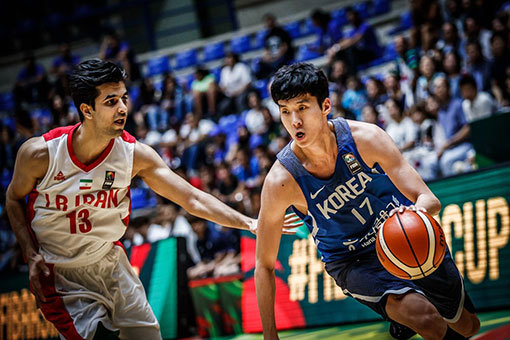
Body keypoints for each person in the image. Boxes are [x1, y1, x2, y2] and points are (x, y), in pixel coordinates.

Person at [5, 59, 298, 340]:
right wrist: (30, 253)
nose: (122, 108)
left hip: (111, 262)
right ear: (87, 109)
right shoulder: (40, 155)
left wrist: (248, 221)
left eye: (123, 98)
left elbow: (192, 198)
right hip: (61, 274)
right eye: (110, 102)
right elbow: (13, 199)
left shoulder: (134, 155)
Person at [255, 63, 480, 340]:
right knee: (428, 318)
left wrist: (410, 220)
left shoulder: (367, 138)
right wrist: (269, 335)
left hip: (401, 237)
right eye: (285, 111)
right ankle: (406, 311)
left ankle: (405, 316)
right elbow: (264, 264)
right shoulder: (280, 181)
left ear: (325, 105)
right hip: (353, 260)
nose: (294, 121)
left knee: (469, 327)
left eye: (302, 108)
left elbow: (428, 199)